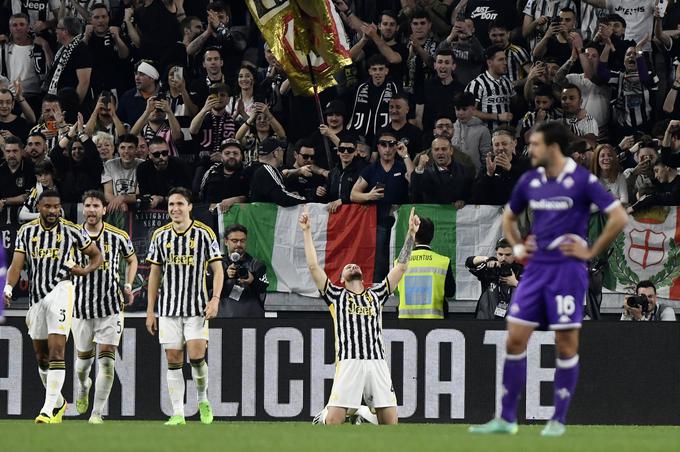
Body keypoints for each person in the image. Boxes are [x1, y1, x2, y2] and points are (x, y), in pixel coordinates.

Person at [469, 122, 628, 436]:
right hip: (536, 270)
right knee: (514, 337)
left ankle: (558, 419)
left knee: (565, 344)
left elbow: (618, 216)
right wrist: (516, 246)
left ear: (553, 147)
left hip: (567, 271)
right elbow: (508, 217)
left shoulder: (582, 181)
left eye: (536, 144)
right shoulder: (531, 180)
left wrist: (591, 250)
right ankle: (507, 418)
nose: (531, 150)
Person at [300, 204, 420, 425]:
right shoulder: (335, 295)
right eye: (347, 266)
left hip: (377, 362)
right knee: (334, 421)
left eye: (355, 265)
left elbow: (401, 268)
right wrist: (307, 232)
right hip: (349, 361)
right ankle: (325, 415)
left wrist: (411, 235)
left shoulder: (377, 293)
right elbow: (313, 267)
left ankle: (363, 413)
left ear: (363, 276)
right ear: (342, 279)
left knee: (391, 424)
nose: (352, 265)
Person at [3, 189, 102, 423]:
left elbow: (96, 256)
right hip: (36, 297)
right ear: (38, 207)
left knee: (57, 349)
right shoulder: (27, 232)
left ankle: (47, 410)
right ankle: (58, 403)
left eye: (57, 206)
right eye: (48, 207)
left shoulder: (71, 230)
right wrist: (7, 288)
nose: (53, 211)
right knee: (41, 356)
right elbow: (16, 265)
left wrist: (84, 270)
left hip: (62, 289)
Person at [145, 187, 224, 426]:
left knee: (197, 358)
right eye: (171, 205)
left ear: (190, 207)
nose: (175, 209)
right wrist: (150, 310)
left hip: (197, 307)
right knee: (173, 359)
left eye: (180, 204)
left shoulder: (204, 233)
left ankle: (202, 399)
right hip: (168, 309)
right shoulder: (160, 235)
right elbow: (154, 273)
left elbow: (217, 269)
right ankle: (178, 413)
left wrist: (215, 298)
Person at [72, 190, 138, 424]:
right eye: (87, 205)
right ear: (83, 209)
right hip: (80, 308)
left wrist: (128, 284)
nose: (91, 210)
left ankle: (97, 413)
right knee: (82, 365)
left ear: (103, 209)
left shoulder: (117, 236)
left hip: (110, 307)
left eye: (95, 206)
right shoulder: (72, 236)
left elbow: (132, 259)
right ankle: (83, 385)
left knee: (108, 361)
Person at [397, 217, 455, 319]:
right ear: (432, 236)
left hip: (406, 323)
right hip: (435, 323)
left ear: (413, 236)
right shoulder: (443, 262)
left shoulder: (400, 262)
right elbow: (450, 292)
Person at [465, 238, 524, 320]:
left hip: (513, 323)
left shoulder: (522, 270)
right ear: (496, 253)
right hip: (487, 321)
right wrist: (486, 259)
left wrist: (515, 283)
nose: (503, 258)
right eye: (500, 254)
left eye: (508, 255)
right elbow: (468, 263)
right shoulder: (490, 267)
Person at [219, 224, 269, 318]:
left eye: (242, 241)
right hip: (222, 318)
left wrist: (252, 281)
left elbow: (263, 288)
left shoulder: (257, 265)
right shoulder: (217, 265)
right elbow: (204, 286)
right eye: (234, 241)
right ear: (226, 241)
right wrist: (224, 275)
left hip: (252, 318)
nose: (239, 244)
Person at [348, 54, 399, 144]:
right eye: (374, 69)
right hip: (362, 136)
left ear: (386, 71)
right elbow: (353, 112)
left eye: (381, 69)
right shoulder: (361, 88)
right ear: (369, 71)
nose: (377, 72)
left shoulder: (394, 88)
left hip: (386, 137)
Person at [472, 127, 531, 205]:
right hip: (493, 213)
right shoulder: (488, 164)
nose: (500, 148)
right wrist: (488, 175)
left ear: (514, 143)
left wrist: (511, 169)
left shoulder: (526, 163)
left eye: (504, 144)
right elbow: (476, 196)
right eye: (496, 145)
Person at [411, 136, 472, 206]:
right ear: (432, 152)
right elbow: (414, 195)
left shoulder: (465, 171)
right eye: (436, 149)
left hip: (458, 214)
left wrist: (464, 201)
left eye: (444, 149)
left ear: (451, 151)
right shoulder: (425, 173)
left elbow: (473, 196)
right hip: (434, 215)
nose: (440, 152)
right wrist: (420, 167)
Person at [43, 16, 92, 104]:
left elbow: (84, 82)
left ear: (65, 31)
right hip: (59, 102)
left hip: (71, 106)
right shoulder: (63, 49)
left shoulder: (80, 49)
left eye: (57, 28)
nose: (55, 31)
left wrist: (74, 107)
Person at [465, 45, 514, 130]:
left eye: (505, 59)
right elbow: (470, 112)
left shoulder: (507, 82)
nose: (505, 63)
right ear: (489, 62)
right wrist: (497, 116)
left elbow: (515, 103)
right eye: (501, 60)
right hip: (485, 134)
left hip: (506, 133)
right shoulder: (477, 84)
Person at [249, 138, 307, 207]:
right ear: (275, 153)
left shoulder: (254, 168)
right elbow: (282, 198)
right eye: (282, 150)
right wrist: (305, 200)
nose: (283, 153)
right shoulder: (267, 169)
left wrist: (290, 194)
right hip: (262, 216)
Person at [315, 136, 367, 213]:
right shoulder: (333, 173)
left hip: (356, 216)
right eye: (342, 149)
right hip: (336, 216)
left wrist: (343, 200)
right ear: (338, 152)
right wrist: (320, 192)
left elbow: (365, 194)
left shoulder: (364, 170)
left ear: (355, 152)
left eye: (350, 150)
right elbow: (327, 197)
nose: (345, 152)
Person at [136, 137, 191, 208]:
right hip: (152, 207)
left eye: (165, 153)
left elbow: (186, 196)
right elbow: (144, 194)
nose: (161, 157)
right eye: (156, 154)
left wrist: (161, 199)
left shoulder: (180, 165)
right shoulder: (143, 168)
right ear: (149, 155)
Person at [198, 138, 250, 210]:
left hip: (242, 216)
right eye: (227, 153)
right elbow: (201, 196)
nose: (231, 156)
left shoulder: (248, 172)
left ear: (241, 156)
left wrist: (238, 199)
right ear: (221, 156)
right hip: (214, 216)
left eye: (235, 153)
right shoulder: (211, 172)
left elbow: (254, 198)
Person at [102, 134, 144, 213]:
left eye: (130, 148)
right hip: (115, 207)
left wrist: (122, 198)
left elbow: (139, 195)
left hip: (137, 208)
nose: (126, 151)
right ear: (117, 149)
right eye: (122, 148)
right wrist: (121, 204)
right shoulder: (109, 165)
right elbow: (107, 194)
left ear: (136, 149)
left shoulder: (142, 165)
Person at [452, 92, 492, 172]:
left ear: (473, 108)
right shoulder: (451, 128)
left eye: (464, 109)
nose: (460, 113)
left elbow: (486, 159)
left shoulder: (483, 130)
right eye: (457, 109)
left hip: (475, 177)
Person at [19, 159, 60, 223]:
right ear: (36, 177)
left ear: (52, 173)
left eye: (46, 174)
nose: (43, 178)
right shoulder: (36, 191)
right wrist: (41, 215)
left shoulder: (60, 187)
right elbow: (22, 215)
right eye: (40, 175)